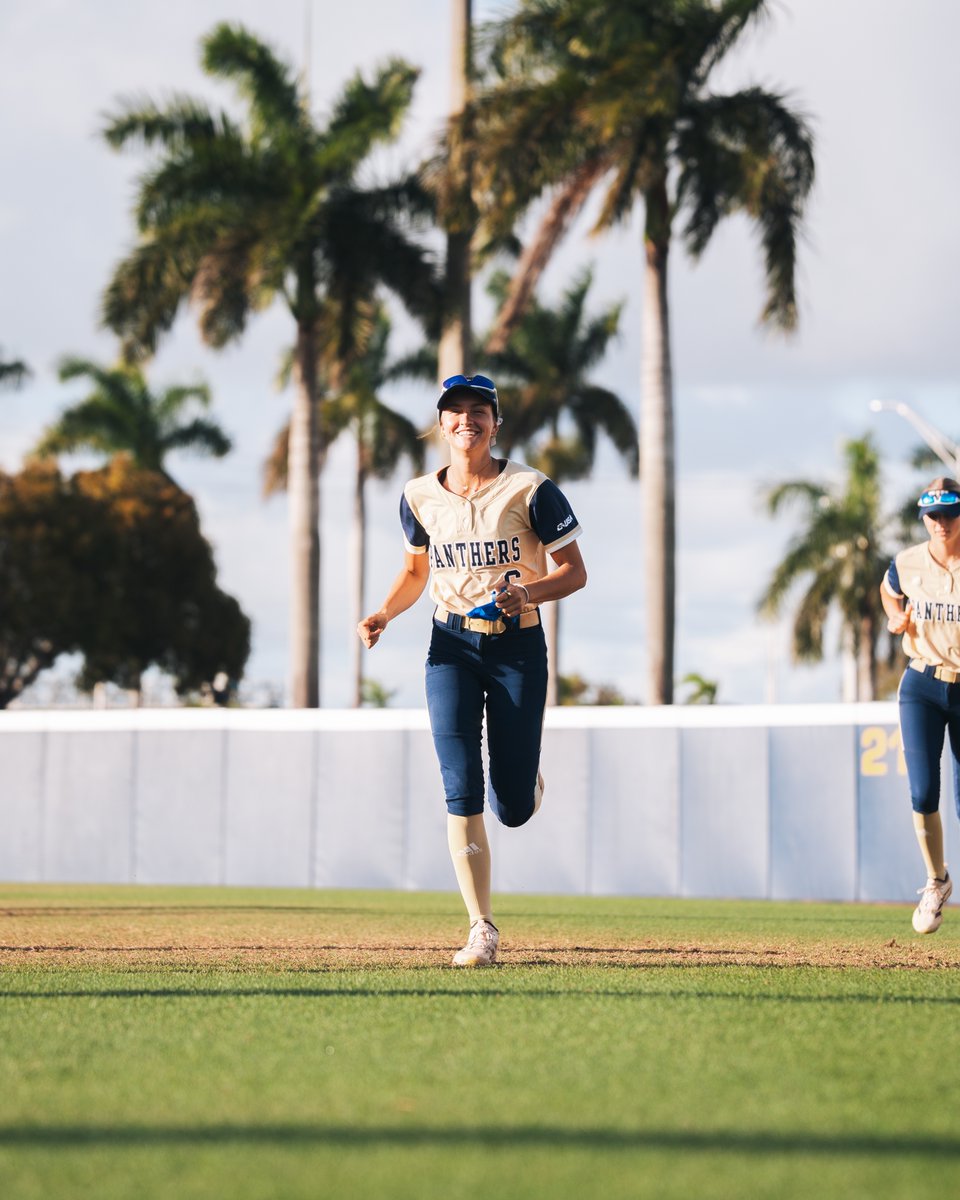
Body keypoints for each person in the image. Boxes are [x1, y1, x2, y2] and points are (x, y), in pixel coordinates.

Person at [357, 373, 587, 966]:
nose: (466, 421)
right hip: (450, 648)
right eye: (454, 411)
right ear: (441, 425)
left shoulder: (531, 489)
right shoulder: (417, 496)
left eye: (478, 410)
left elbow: (574, 572)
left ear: (495, 421)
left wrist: (528, 594)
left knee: (509, 806)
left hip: (516, 650)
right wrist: (383, 613)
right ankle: (480, 928)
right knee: (460, 789)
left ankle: (527, 783)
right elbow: (415, 573)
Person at [881, 477, 960, 934]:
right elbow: (889, 589)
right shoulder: (908, 562)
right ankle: (937, 880)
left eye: (949, 512)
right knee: (922, 792)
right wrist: (894, 614)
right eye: (933, 514)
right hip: (922, 684)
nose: (941, 522)